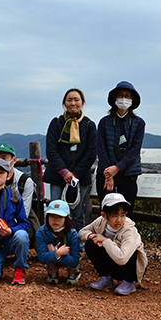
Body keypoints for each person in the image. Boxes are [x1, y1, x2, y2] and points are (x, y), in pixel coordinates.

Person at [43, 89, 97, 231]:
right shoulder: (56, 124)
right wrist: (64, 171)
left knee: (78, 213)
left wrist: (75, 174)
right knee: (55, 213)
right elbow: (51, 150)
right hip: (58, 175)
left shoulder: (89, 126)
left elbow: (91, 153)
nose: (73, 103)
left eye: (76, 100)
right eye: (69, 100)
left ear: (82, 103)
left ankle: (77, 246)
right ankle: (56, 244)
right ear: (64, 103)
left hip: (80, 177)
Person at [79, 193, 148, 296]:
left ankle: (129, 282)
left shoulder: (129, 230)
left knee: (131, 251)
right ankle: (106, 278)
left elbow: (122, 259)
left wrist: (105, 240)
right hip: (114, 265)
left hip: (130, 268)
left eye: (122, 215)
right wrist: (92, 236)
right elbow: (82, 232)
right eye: (115, 215)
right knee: (90, 244)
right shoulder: (101, 222)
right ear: (104, 215)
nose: (119, 220)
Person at [96, 81, 145, 217]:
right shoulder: (104, 122)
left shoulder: (139, 123)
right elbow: (101, 148)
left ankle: (125, 239)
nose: (124, 99)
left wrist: (116, 168)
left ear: (132, 100)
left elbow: (134, 151)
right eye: (120, 95)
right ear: (114, 98)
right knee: (107, 213)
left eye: (128, 96)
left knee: (126, 215)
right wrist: (109, 174)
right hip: (105, 175)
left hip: (128, 174)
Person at [0, 143, 40, 242]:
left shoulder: (25, 181)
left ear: (14, 160)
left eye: (4, 158)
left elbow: (25, 212)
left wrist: (9, 228)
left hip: (17, 217)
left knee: (23, 234)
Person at [36, 200, 82, 285]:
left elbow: (75, 260)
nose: (55, 220)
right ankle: (52, 272)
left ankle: (74, 273)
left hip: (68, 256)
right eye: (52, 216)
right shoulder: (41, 232)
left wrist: (59, 255)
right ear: (47, 216)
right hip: (56, 253)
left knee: (72, 252)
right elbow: (42, 258)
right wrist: (57, 253)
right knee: (49, 247)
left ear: (67, 218)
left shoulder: (72, 233)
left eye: (60, 217)